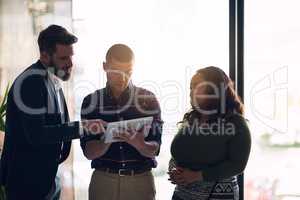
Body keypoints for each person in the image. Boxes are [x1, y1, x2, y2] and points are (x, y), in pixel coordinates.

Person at [0, 25, 105, 200]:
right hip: (28, 185)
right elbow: (36, 134)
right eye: (63, 58)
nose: (70, 63)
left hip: (47, 179)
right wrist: (84, 127)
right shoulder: (31, 82)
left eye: (71, 56)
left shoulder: (51, 78)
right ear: (45, 55)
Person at [80, 44, 163, 200]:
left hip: (140, 182)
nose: (123, 78)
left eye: (128, 72)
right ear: (105, 67)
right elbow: (88, 152)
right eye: (117, 71)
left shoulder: (148, 100)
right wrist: (106, 141)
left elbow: (155, 148)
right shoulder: (90, 101)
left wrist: (140, 144)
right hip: (103, 181)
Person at [168, 66, 251, 200]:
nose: (190, 91)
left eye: (196, 86)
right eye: (190, 87)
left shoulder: (236, 123)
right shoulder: (192, 118)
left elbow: (238, 165)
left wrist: (197, 176)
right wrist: (174, 171)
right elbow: (177, 153)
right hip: (182, 195)